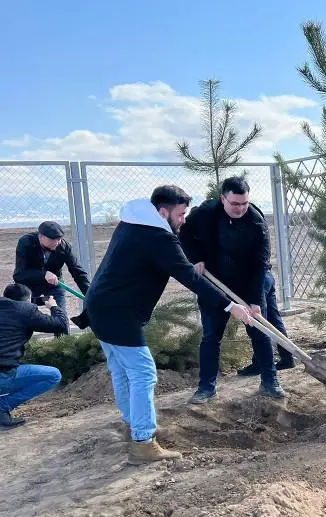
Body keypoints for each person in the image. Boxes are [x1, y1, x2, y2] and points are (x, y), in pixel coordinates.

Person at [83, 185, 253, 464]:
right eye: (180, 214)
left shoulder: (132, 223)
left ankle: (133, 424)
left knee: (122, 370)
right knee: (143, 373)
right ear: (163, 212)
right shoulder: (158, 237)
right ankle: (143, 442)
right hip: (117, 312)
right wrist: (230, 305)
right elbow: (190, 277)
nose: (183, 219)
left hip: (99, 306)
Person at [179, 176, 286, 403]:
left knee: (259, 331)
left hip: (247, 282)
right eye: (234, 204)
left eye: (244, 204)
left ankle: (270, 381)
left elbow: (261, 264)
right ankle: (206, 388)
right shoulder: (206, 212)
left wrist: (255, 299)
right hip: (214, 283)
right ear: (222, 199)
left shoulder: (256, 223)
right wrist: (195, 258)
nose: (240, 209)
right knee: (211, 336)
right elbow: (185, 233)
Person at [237, 202, 294, 378]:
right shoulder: (257, 222)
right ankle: (287, 358)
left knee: (257, 324)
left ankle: (260, 363)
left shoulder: (244, 230)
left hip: (256, 281)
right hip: (267, 276)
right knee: (274, 320)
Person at [0, 283, 69, 430]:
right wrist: (53, 307)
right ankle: (2, 407)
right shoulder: (26, 310)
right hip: (3, 374)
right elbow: (61, 324)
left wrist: (35, 301)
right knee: (53, 375)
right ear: (27, 301)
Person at [13, 221, 90, 312]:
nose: (57, 243)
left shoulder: (64, 247)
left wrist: (90, 295)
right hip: (29, 285)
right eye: (52, 239)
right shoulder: (26, 243)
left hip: (54, 285)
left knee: (61, 318)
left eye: (59, 239)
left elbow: (77, 271)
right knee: (23, 316)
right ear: (41, 237)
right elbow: (19, 274)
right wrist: (43, 274)